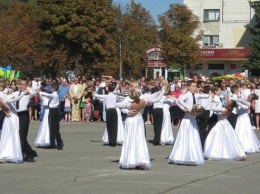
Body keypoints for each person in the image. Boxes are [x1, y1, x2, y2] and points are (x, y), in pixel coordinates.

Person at [116, 81, 165, 170]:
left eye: (138, 86)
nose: (137, 88)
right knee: (131, 139)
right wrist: (128, 110)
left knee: (140, 139)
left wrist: (162, 91)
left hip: (139, 120)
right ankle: (131, 161)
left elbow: (155, 100)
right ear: (130, 88)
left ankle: (141, 160)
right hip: (130, 120)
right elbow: (118, 105)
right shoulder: (128, 98)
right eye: (135, 87)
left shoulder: (143, 97)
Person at [168, 80, 206, 166]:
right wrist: (187, 108)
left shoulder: (196, 95)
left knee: (193, 137)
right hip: (186, 119)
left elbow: (203, 97)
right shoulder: (185, 95)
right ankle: (180, 156)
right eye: (193, 86)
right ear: (188, 87)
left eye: (195, 86)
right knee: (184, 137)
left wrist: (209, 96)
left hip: (193, 119)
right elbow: (179, 101)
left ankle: (193, 156)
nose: (194, 88)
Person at [0, 87, 28, 163]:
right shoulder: (5, 99)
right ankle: (13, 153)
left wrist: (4, 110)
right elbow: (14, 99)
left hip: (9, 118)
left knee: (8, 135)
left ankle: (8, 152)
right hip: (13, 118)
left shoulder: (4, 99)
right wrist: (23, 94)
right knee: (13, 136)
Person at [14, 78, 38, 162]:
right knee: (19, 136)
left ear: (27, 85)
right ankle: (30, 153)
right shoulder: (17, 93)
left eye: (23, 84)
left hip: (24, 115)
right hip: (16, 115)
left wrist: (28, 90)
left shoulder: (28, 93)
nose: (21, 86)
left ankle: (21, 155)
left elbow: (34, 92)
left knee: (22, 136)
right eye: (20, 84)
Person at [36, 83, 64, 150]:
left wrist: (40, 91)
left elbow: (48, 94)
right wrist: (39, 93)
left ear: (53, 88)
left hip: (53, 111)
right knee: (53, 128)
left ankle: (58, 142)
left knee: (54, 128)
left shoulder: (54, 95)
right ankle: (52, 143)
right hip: (54, 111)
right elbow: (46, 96)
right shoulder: (55, 95)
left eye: (51, 88)